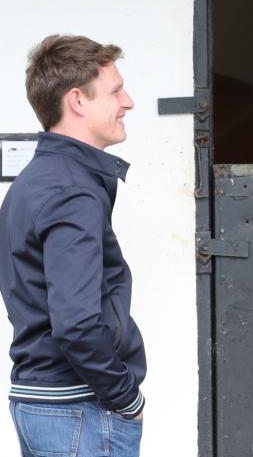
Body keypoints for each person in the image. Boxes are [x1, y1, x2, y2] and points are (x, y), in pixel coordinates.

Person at [0, 35, 145, 457]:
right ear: (78, 100)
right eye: (116, 91)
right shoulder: (70, 190)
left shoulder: (37, 180)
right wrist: (126, 399)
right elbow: (77, 324)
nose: (128, 102)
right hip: (78, 410)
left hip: (48, 404)